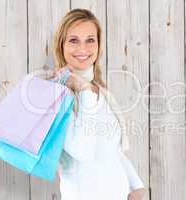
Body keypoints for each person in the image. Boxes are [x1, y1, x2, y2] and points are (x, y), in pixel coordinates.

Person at [50, 8, 146, 200]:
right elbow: (81, 151)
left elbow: (111, 150)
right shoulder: (56, 94)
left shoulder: (100, 91)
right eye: (73, 40)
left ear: (99, 45)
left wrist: (136, 185)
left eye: (90, 40)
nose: (83, 49)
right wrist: (83, 90)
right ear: (61, 45)